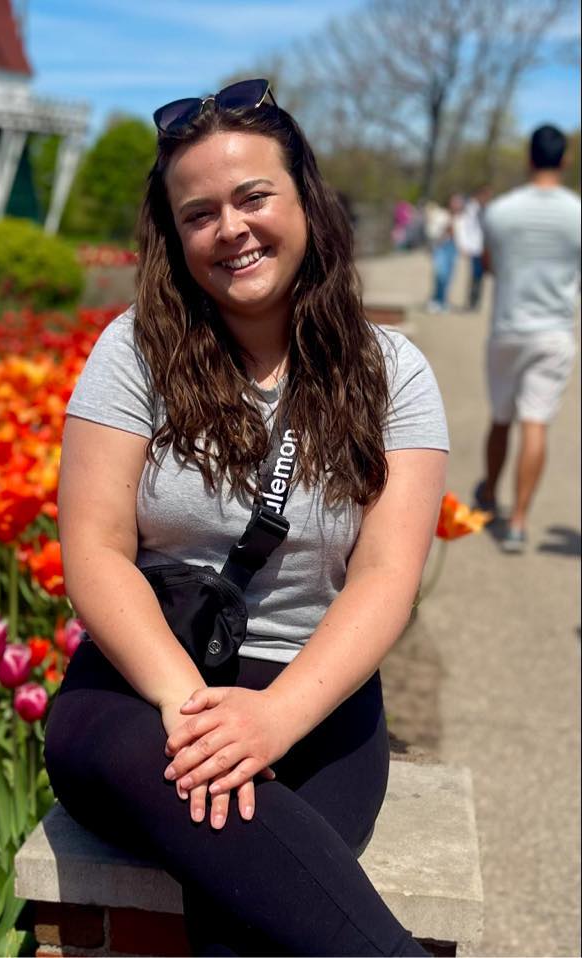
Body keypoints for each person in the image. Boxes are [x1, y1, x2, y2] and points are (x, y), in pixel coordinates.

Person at [44, 77, 448, 956]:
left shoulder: (395, 375)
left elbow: (387, 577)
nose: (231, 229)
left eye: (254, 196)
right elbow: (96, 551)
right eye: (199, 213)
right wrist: (191, 708)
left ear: (305, 197)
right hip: (144, 690)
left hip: (319, 695)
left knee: (254, 915)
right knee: (243, 847)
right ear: (174, 235)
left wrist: (273, 719)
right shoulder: (133, 351)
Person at [473, 125, 581, 554]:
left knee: (500, 418)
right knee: (535, 422)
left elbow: (488, 264)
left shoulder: (500, 210)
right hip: (554, 331)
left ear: (529, 159)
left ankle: (489, 496)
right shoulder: (577, 211)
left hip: (508, 327)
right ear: (566, 160)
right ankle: (518, 522)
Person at [454, 187, 492, 311]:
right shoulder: (470, 209)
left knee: (480, 277)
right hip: (474, 247)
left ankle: (476, 302)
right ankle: (471, 301)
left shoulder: (488, 209)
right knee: (475, 276)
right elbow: (463, 227)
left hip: (483, 248)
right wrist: (464, 245)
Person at [425, 194, 463, 312]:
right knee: (440, 274)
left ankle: (443, 300)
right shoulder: (441, 215)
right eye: (455, 202)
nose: (457, 205)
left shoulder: (461, 218)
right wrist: (444, 229)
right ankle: (435, 299)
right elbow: (431, 232)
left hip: (453, 249)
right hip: (441, 247)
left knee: (448, 277)